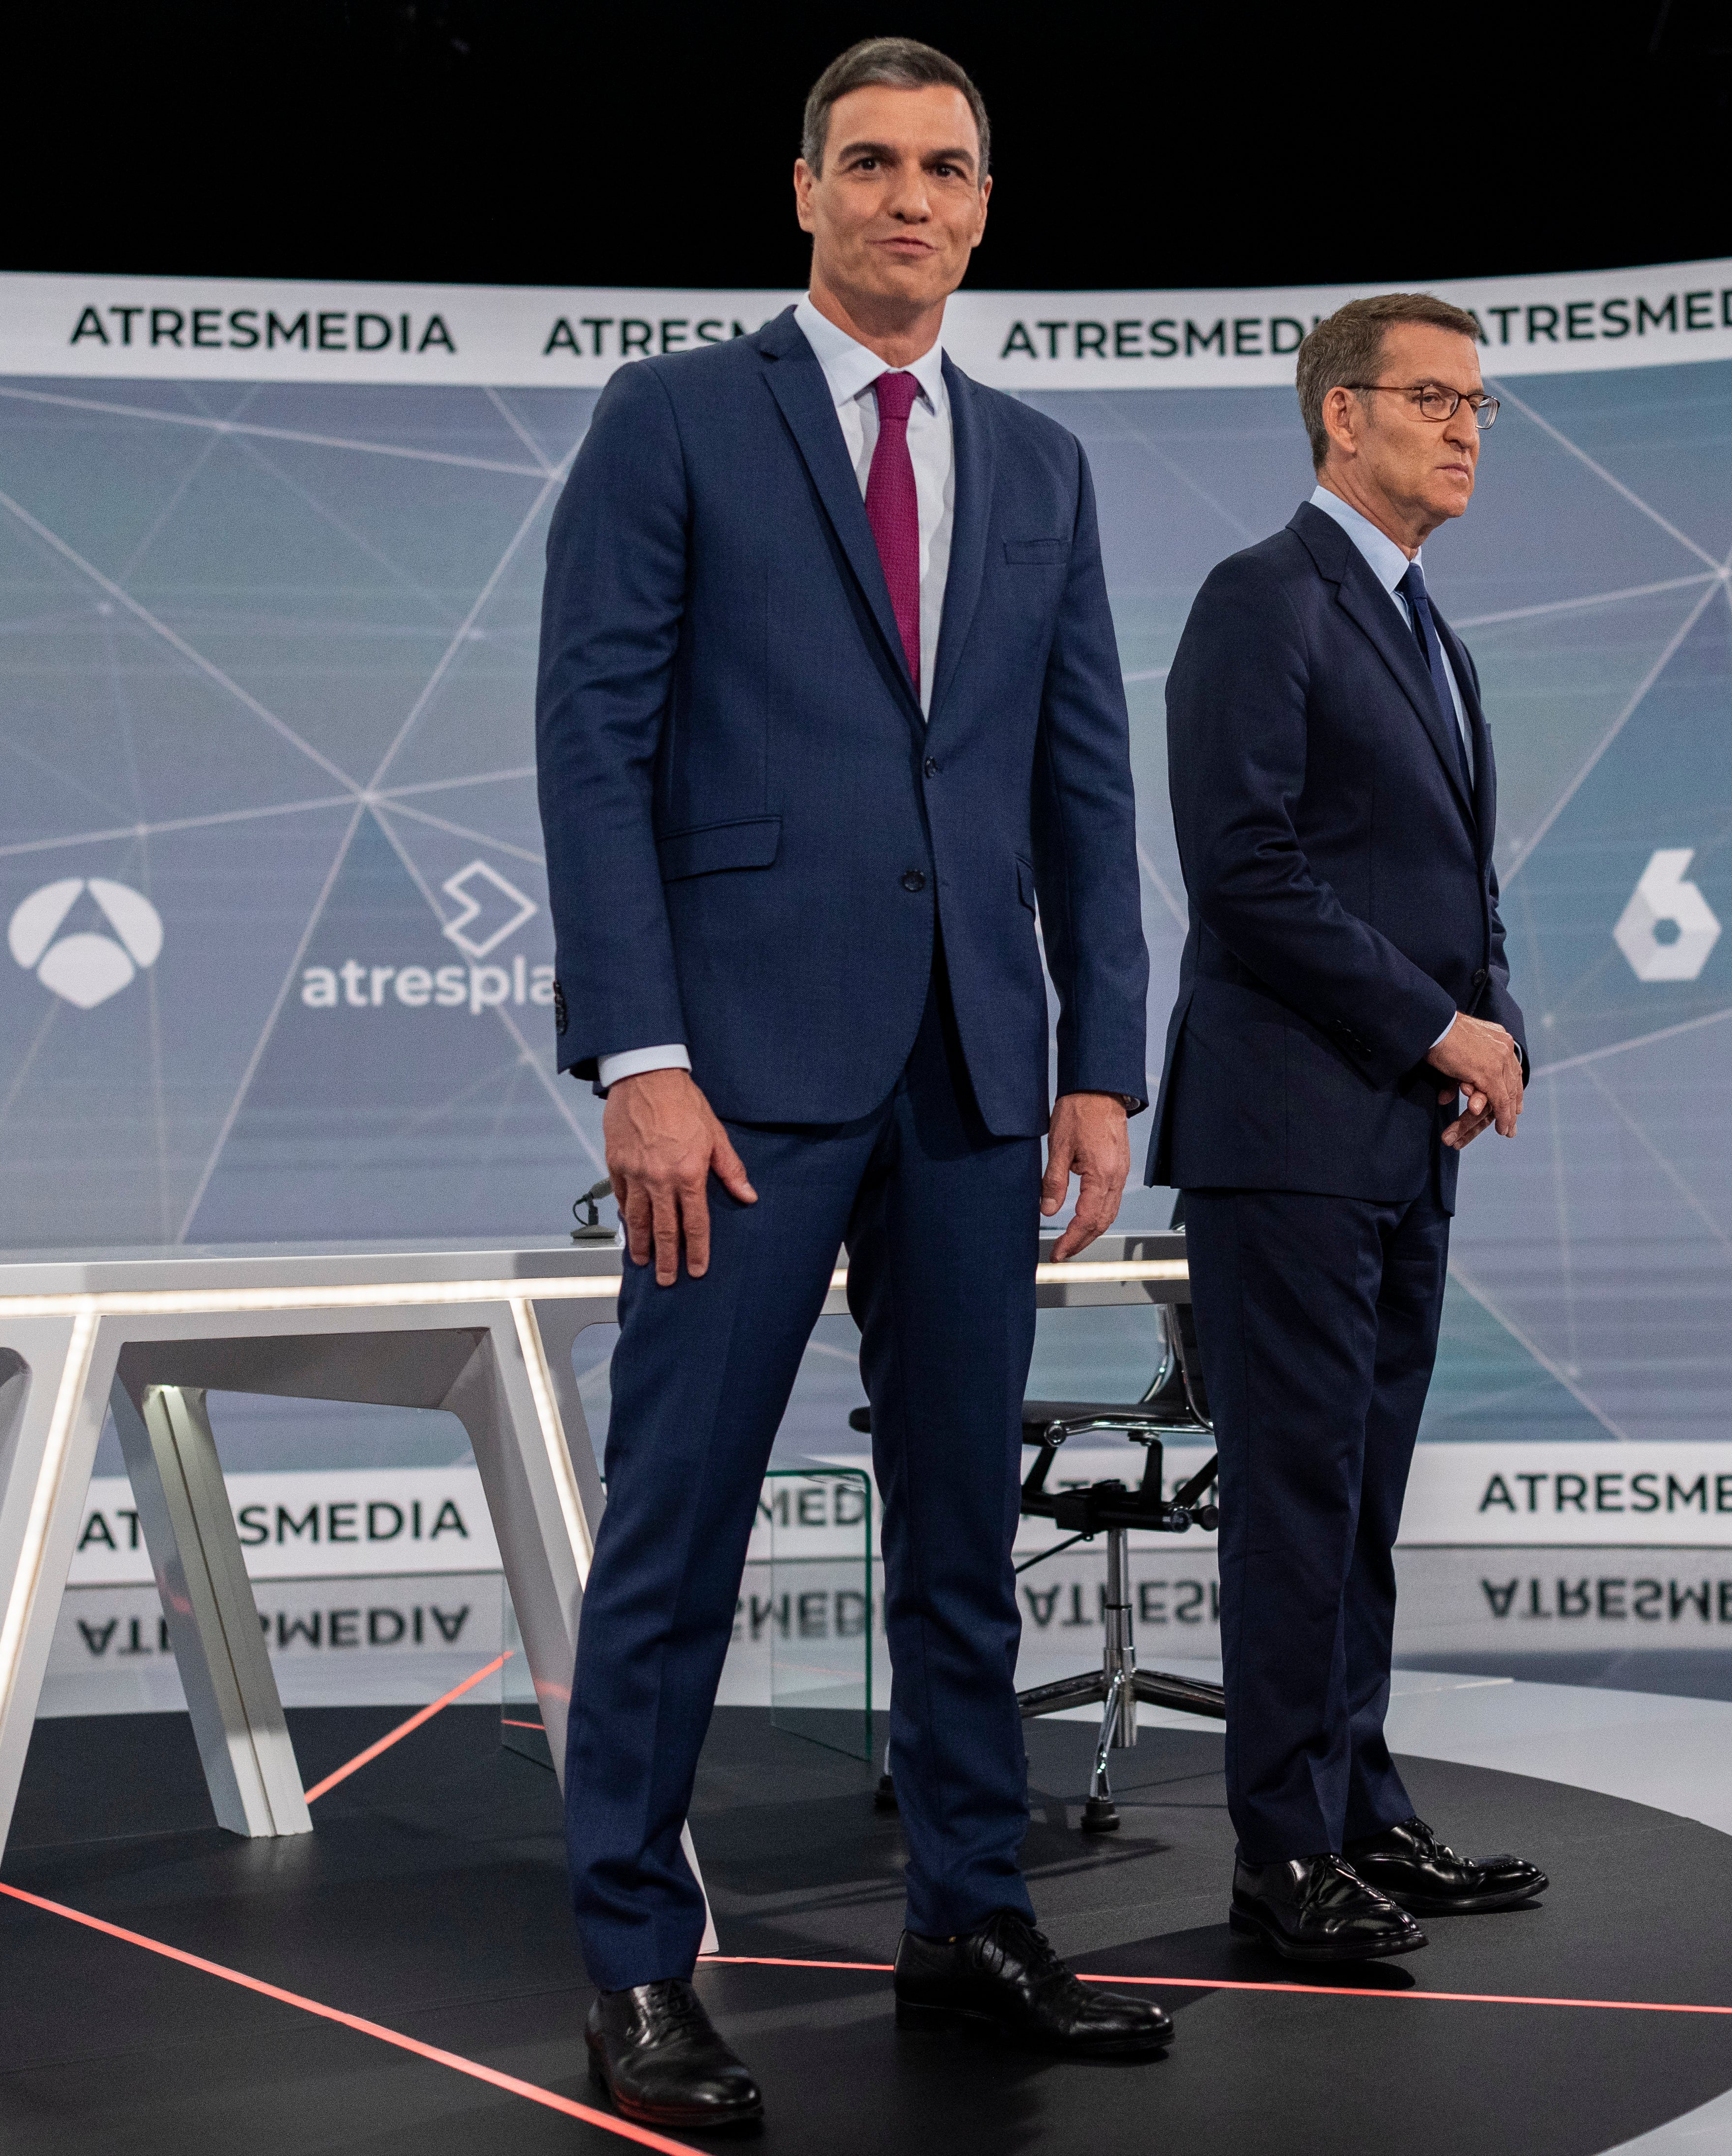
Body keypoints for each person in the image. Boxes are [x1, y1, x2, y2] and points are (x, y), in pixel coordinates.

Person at [535, 32, 1169, 2132]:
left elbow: (1082, 781)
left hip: (980, 1072)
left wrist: (1103, 1066)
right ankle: (635, 1963)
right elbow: (591, 742)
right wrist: (638, 1056)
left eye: (949, 168)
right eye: (871, 162)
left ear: (985, 209)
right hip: (733, 1077)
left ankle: (969, 1916)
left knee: (955, 1530)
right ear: (799, 189)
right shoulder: (674, 422)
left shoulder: (1044, 464)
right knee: (678, 1523)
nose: (911, 196)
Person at [1150, 292, 1552, 1965]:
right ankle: (1280, 1851)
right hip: (1291, 1130)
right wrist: (1433, 1023)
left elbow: (1456, 885)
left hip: (1399, 1131)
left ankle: (1363, 1808)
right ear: (1341, 417)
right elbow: (1244, 869)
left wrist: (1497, 1026)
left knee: (1363, 1493)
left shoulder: (1431, 632)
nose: (1466, 429)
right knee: (1298, 1498)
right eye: (1435, 399)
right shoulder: (1264, 598)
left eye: (1481, 406)